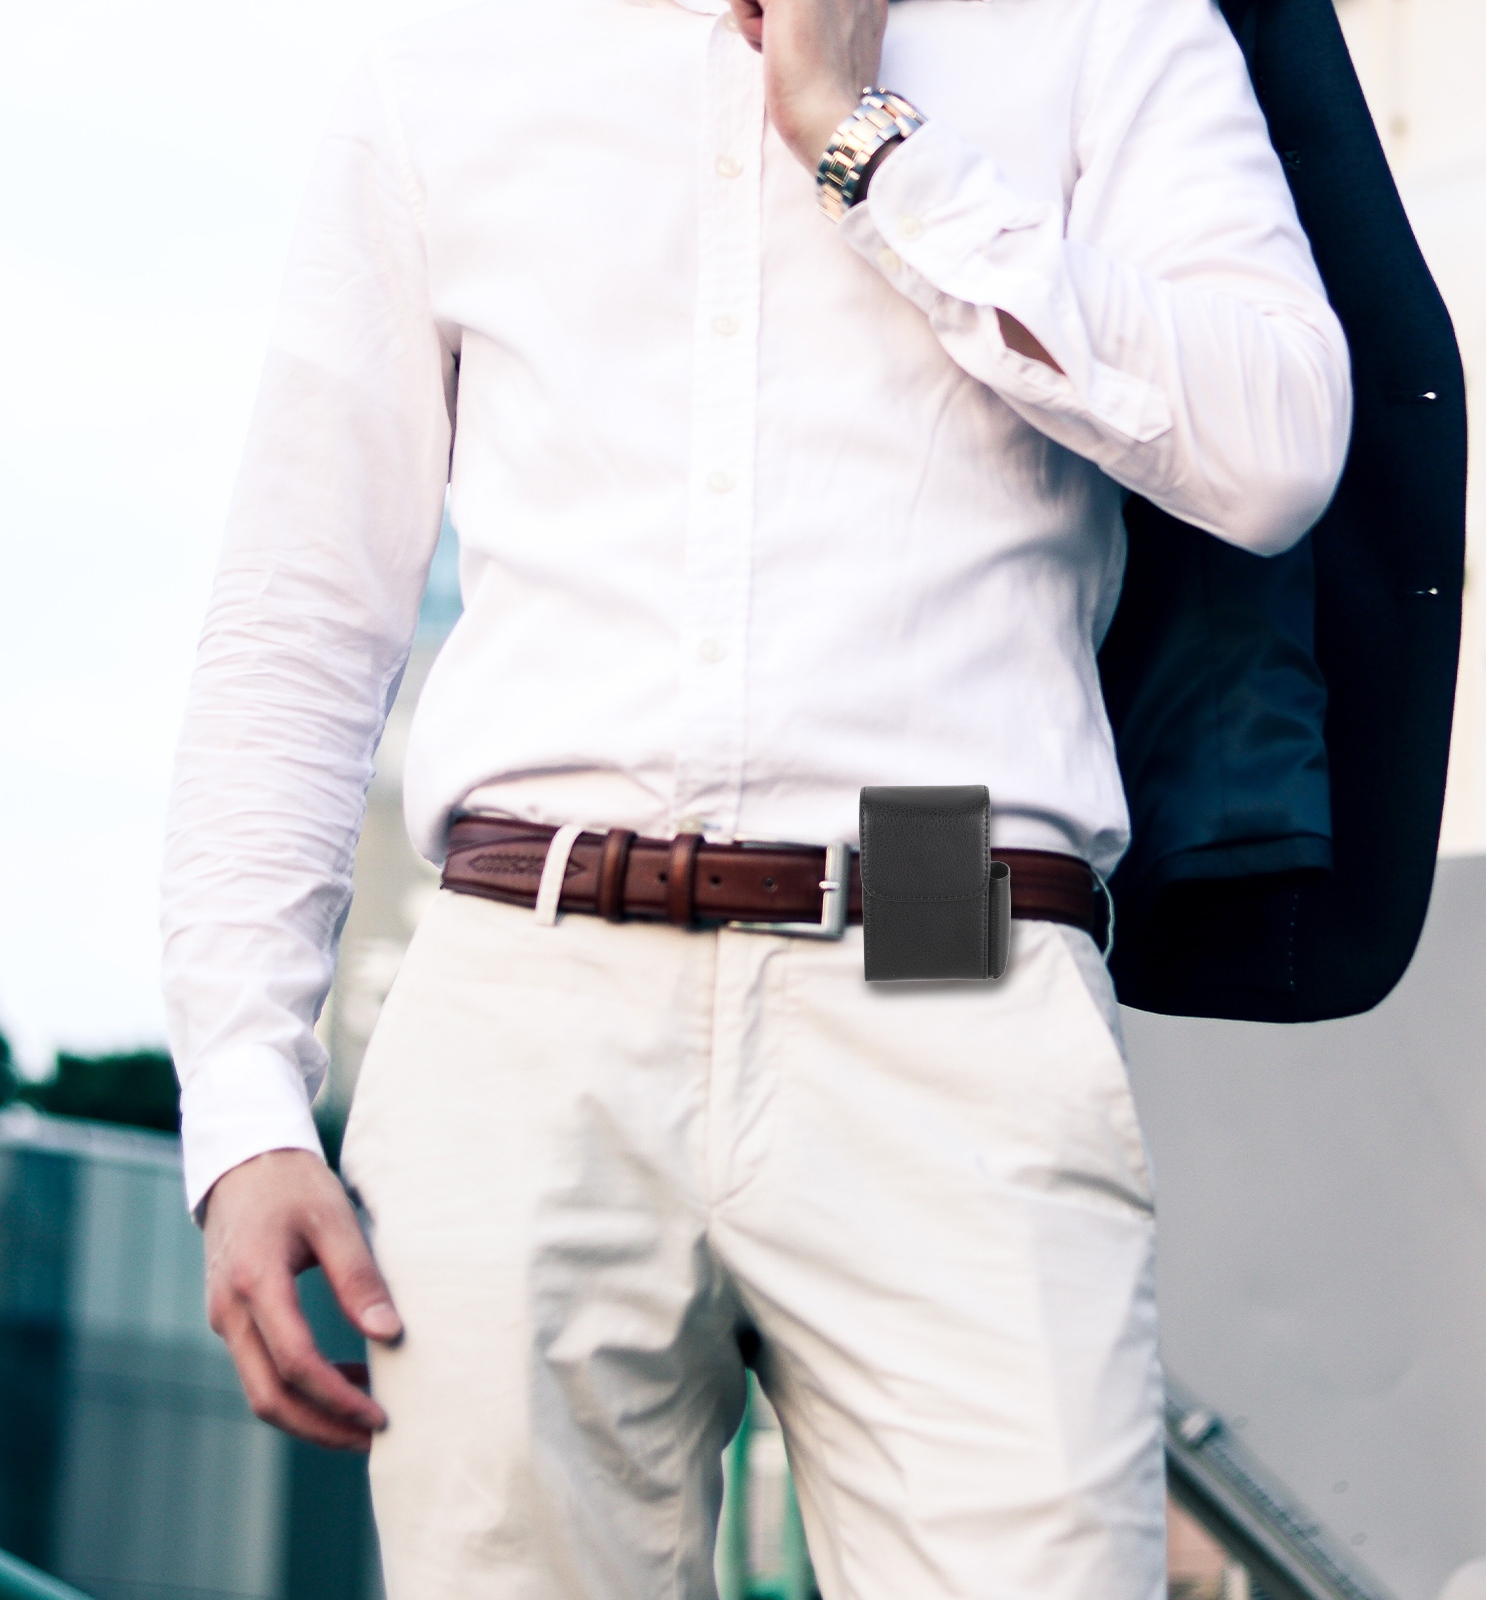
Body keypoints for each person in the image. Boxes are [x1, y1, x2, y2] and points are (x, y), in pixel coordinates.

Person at [162, 0, 1352, 1594]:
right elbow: (301, 613)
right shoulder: (451, 56)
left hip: (943, 933)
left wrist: (864, 142)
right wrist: (244, 1107)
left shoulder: (1102, 25)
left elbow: (1276, 443)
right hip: (526, 970)